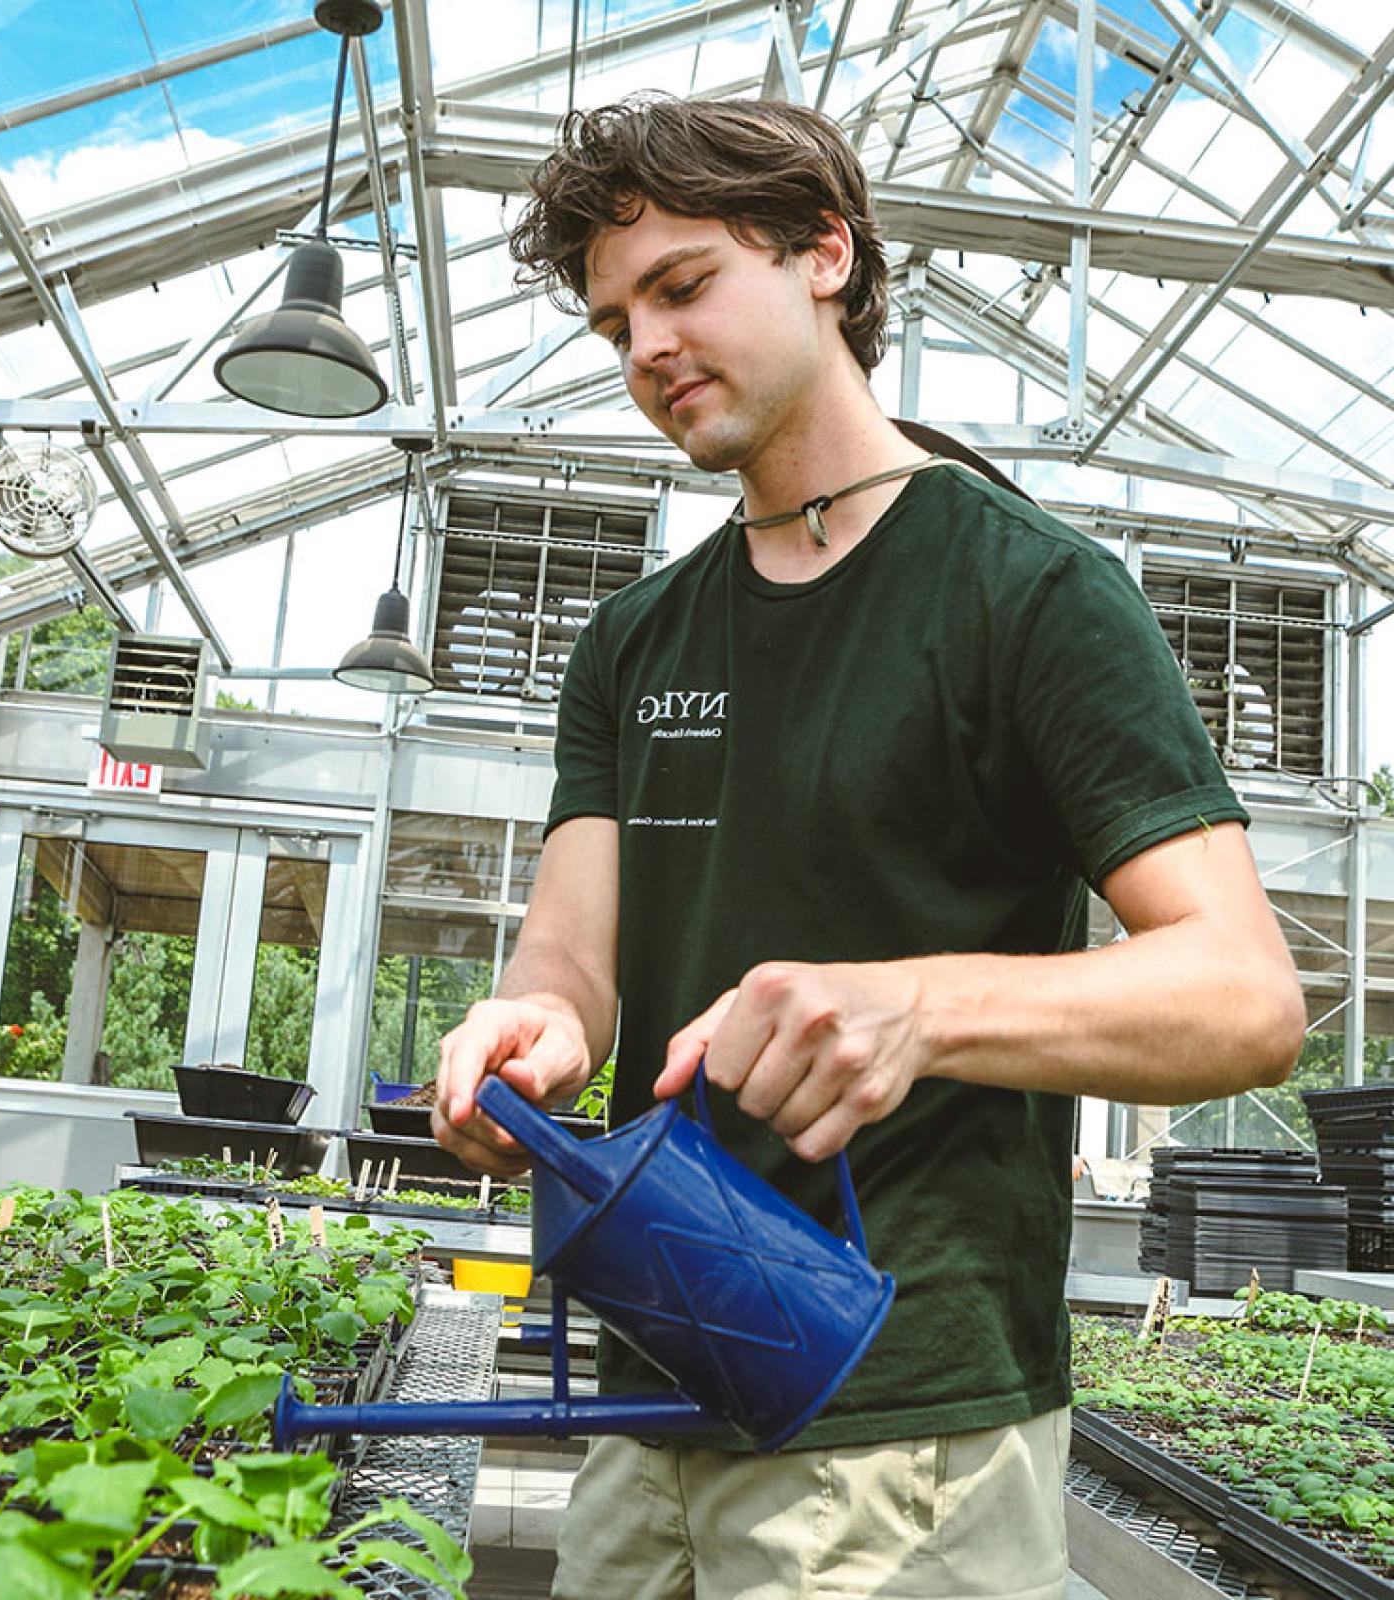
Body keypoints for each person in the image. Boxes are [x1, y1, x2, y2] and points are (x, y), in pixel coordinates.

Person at [432, 94, 1305, 1600]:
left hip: (904, 1429)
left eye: (685, 285)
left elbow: (1243, 996)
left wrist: (920, 1005)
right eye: (614, 318)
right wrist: (535, 1029)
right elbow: (574, 955)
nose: (645, 346)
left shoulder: (1025, 592)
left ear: (824, 252)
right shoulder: (636, 638)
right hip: (657, 1388)